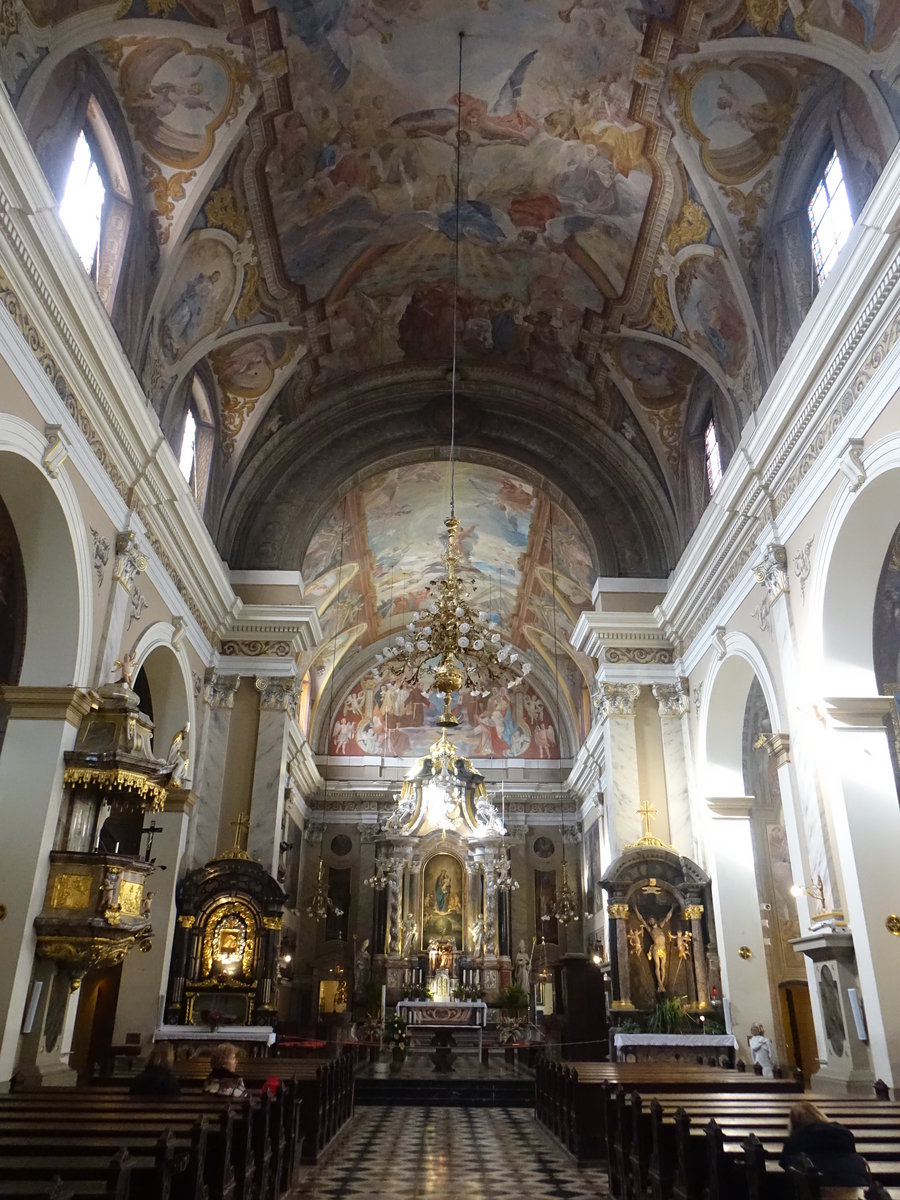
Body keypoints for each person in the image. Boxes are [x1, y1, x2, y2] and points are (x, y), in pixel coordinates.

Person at [779, 1101, 870, 1188]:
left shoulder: (795, 1140)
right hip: (853, 1187)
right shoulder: (843, 1134)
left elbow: (784, 1163)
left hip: (815, 1191)